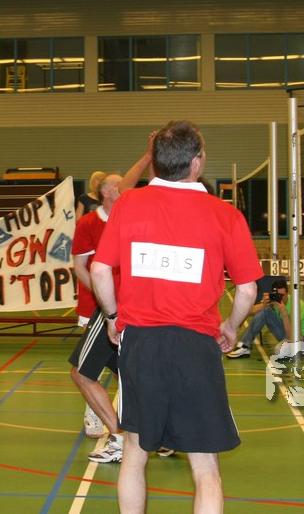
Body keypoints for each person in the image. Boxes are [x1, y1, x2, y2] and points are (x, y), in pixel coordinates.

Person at [90, 120, 262, 513]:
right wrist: (230, 328)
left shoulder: (128, 204)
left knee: (135, 452)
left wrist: (113, 318)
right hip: (196, 345)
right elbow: (248, 290)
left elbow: (99, 271)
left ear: (156, 161)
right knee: (205, 467)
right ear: (197, 163)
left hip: (141, 343)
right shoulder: (224, 214)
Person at [70, 173, 127, 459]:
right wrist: (100, 294)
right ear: (104, 191)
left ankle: (121, 438)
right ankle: (159, 432)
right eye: (118, 183)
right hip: (107, 305)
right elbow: (82, 266)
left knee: (84, 371)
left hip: (122, 308)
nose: (124, 186)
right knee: (121, 371)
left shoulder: (130, 219)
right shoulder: (90, 223)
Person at [226, 277, 304, 359]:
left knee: (279, 351)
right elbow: (249, 312)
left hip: (298, 338)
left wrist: (284, 313)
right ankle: (244, 346)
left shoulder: (297, 305)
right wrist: (263, 305)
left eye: (282, 295)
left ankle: (300, 349)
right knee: (265, 311)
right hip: (286, 335)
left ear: (287, 293)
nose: (280, 298)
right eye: (277, 295)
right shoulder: (273, 301)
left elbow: (291, 336)